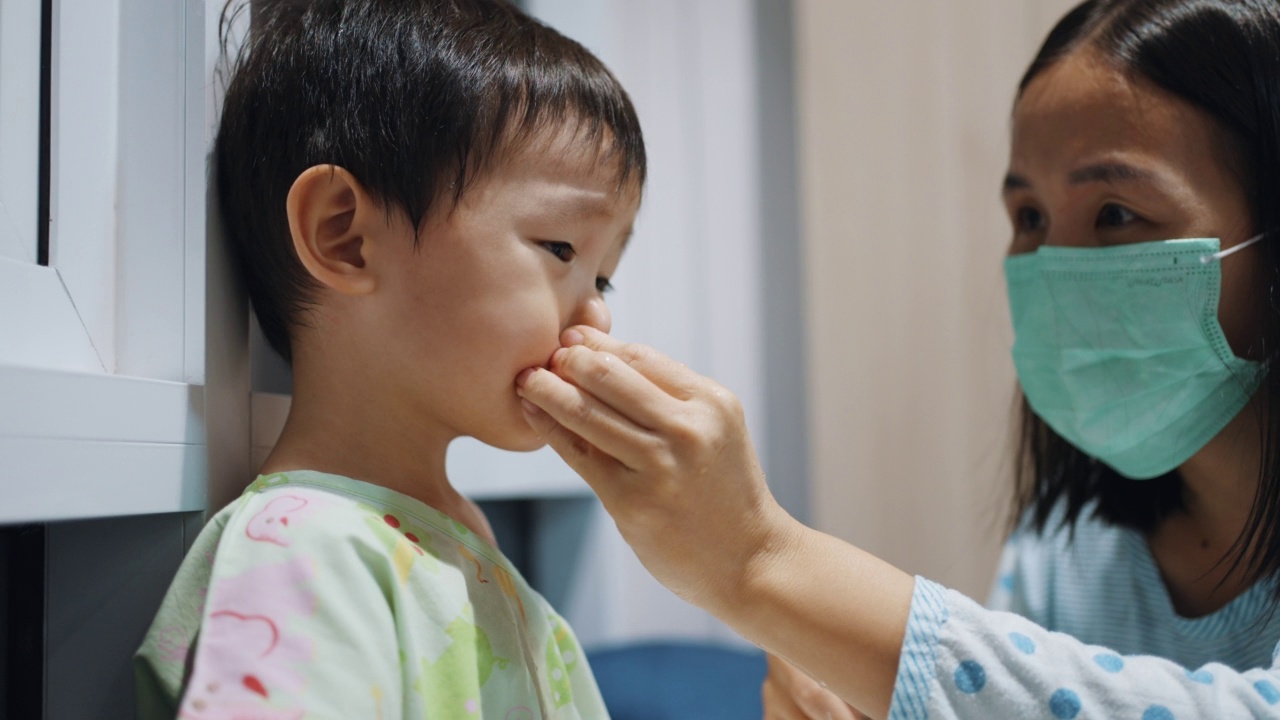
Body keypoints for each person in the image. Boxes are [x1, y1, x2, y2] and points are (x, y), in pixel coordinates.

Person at [514, 0, 1280, 717]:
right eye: (1029, 217)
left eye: (1115, 214)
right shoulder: (1067, 549)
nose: (1052, 267)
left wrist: (762, 562)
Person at [133, 1, 644, 717]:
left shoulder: (452, 537)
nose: (597, 315)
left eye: (603, 277)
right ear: (345, 237)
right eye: (560, 248)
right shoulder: (305, 551)